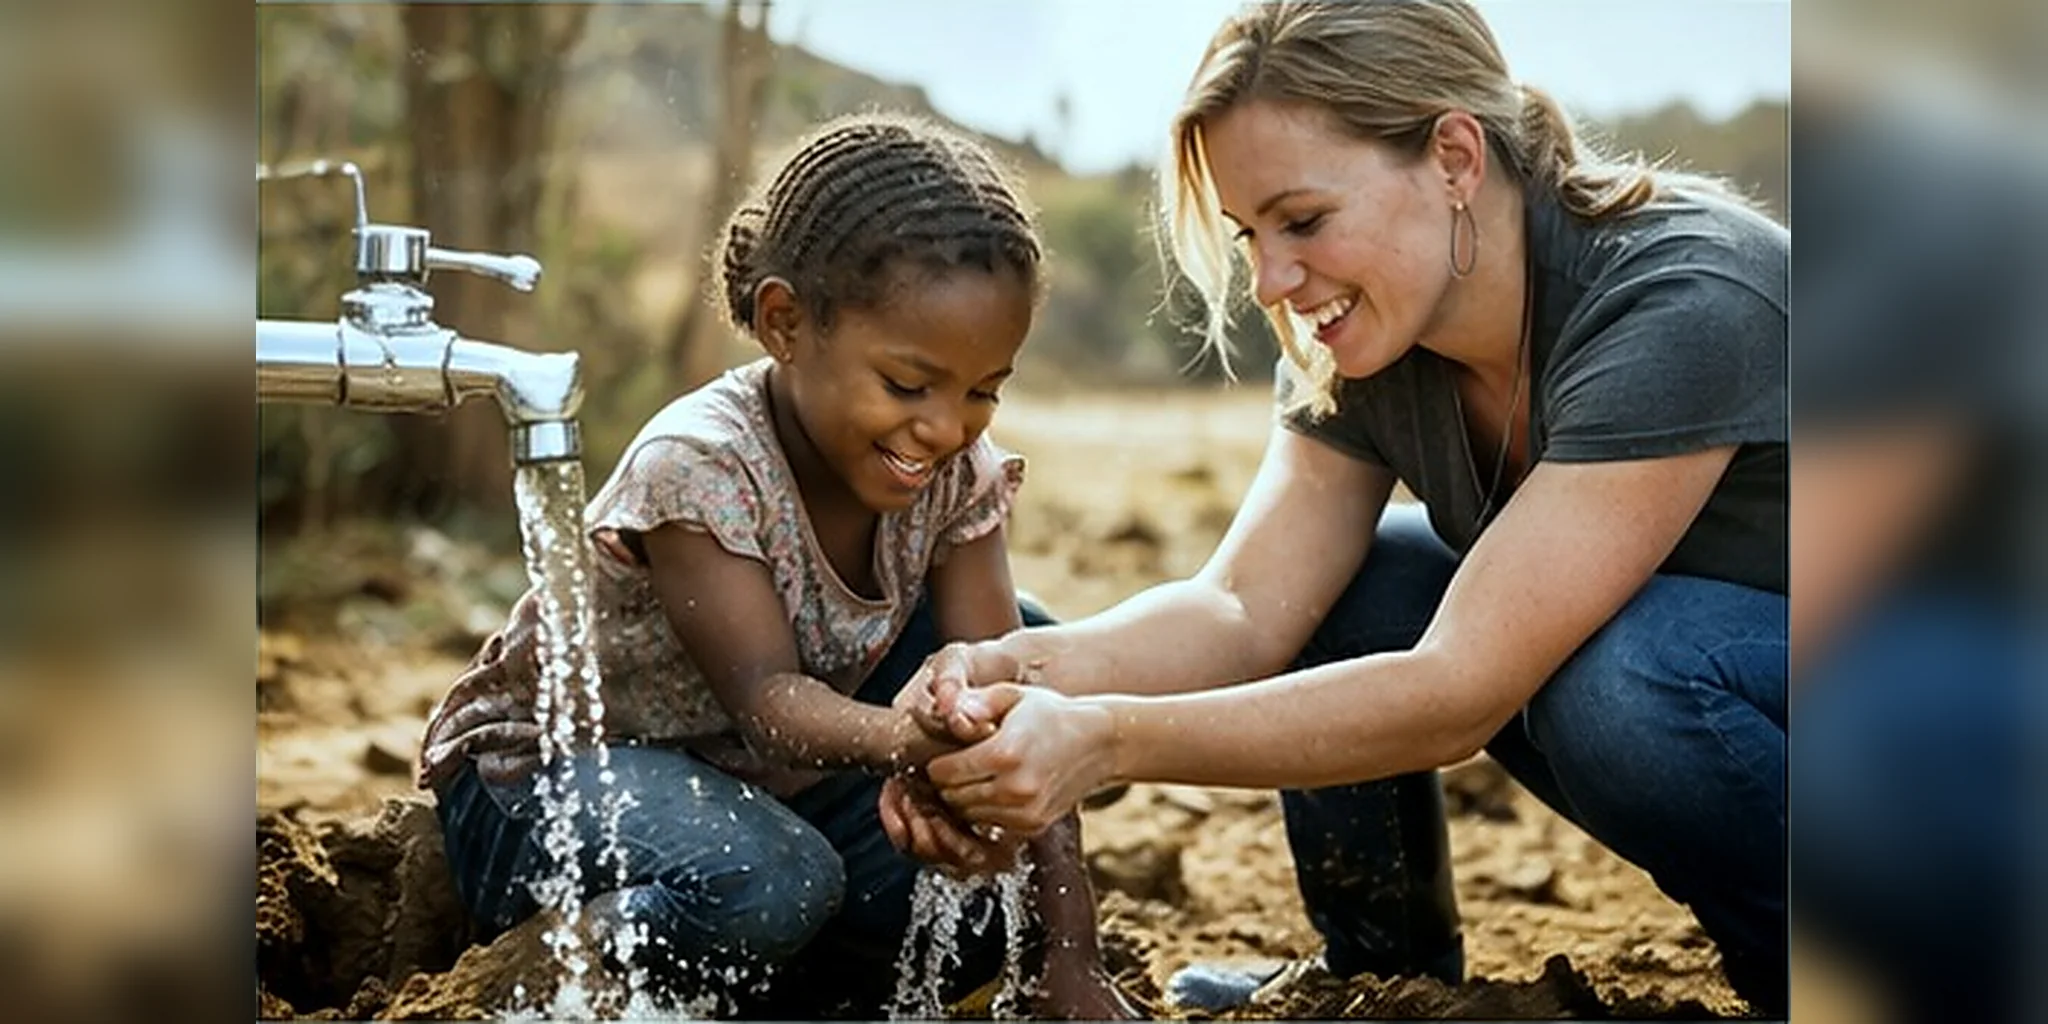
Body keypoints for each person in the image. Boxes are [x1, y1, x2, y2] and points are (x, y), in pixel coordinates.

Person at [882, 0, 1788, 1015]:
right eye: (1250, 234)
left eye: (1303, 221)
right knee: (1364, 584)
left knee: (1623, 680)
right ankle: (1380, 978)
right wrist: (1003, 667)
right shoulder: (1373, 341)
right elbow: (1240, 607)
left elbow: (1459, 689)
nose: (1271, 280)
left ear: (1453, 156)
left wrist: (1099, 739)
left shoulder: (1680, 295)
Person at [414, 112, 1130, 1018]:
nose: (946, 428)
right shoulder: (703, 466)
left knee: (986, 879)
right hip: (555, 786)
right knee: (775, 881)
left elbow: (1014, 692)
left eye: (984, 390)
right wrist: (919, 743)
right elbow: (769, 706)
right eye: (908, 385)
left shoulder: (956, 475)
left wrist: (1069, 955)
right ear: (785, 322)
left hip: (761, 796)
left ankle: (759, 981)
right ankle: (561, 972)